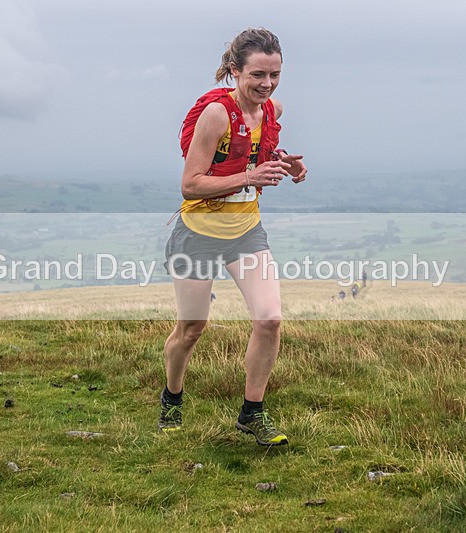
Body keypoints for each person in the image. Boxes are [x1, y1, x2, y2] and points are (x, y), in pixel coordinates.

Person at [159, 28, 307, 446]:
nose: (267, 84)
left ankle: (252, 413)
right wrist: (251, 176)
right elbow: (190, 184)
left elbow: (254, 152)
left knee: (270, 319)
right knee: (191, 330)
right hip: (198, 235)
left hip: (246, 232)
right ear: (234, 71)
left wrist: (286, 165)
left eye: (275, 74)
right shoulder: (216, 115)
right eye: (258, 74)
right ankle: (172, 396)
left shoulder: (271, 109)